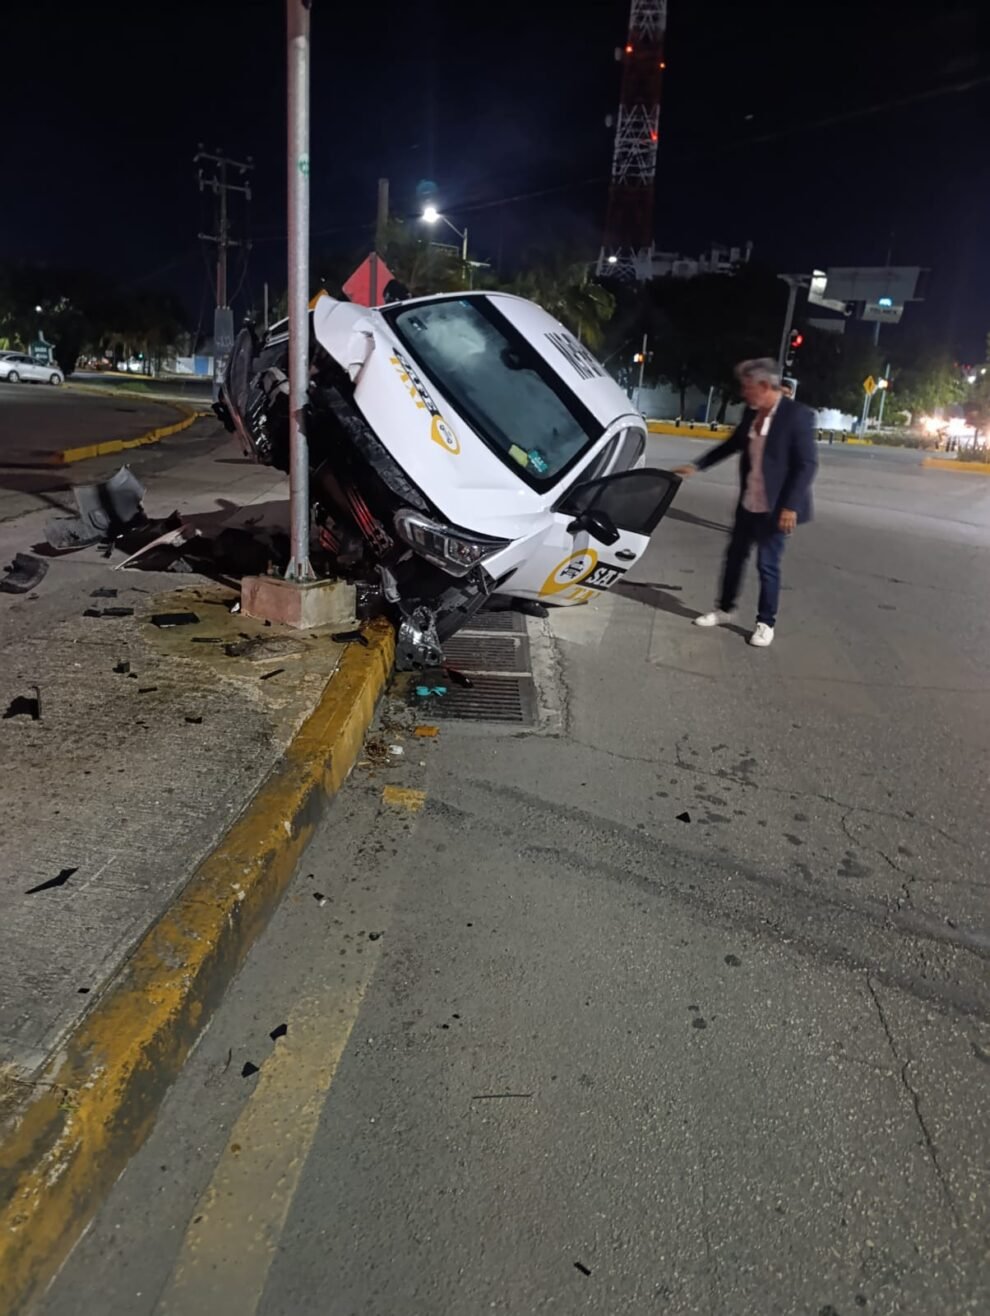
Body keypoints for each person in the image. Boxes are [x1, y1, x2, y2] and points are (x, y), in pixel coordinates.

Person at [674, 357, 818, 648]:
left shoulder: (797, 415)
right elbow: (731, 445)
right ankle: (725, 609)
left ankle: (766, 622)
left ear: (765, 386)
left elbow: (807, 464)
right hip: (749, 502)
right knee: (735, 557)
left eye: (747, 387)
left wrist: (790, 506)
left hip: (776, 508)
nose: (743, 393)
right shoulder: (751, 414)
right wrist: (697, 466)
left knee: (768, 565)